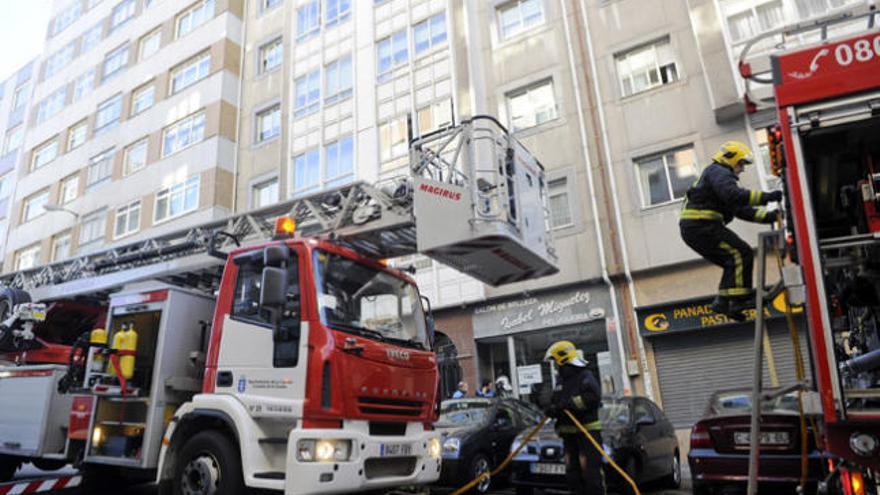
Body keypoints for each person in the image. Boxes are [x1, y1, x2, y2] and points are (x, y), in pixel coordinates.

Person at [679, 140, 783, 321]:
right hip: (701, 225)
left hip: (697, 228)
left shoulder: (716, 177)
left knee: (732, 262)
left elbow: (740, 210)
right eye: (741, 163)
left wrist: (770, 217)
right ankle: (739, 299)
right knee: (740, 254)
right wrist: (769, 197)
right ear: (730, 158)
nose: (742, 168)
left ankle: (724, 302)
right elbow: (734, 195)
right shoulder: (719, 172)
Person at [543, 341, 605, 495]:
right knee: (572, 474)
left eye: (554, 361)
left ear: (562, 358)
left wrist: (568, 405)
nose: (555, 365)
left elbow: (592, 397)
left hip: (587, 433)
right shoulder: (561, 379)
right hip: (568, 435)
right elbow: (556, 401)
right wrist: (552, 409)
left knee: (590, 474)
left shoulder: (585, 375)